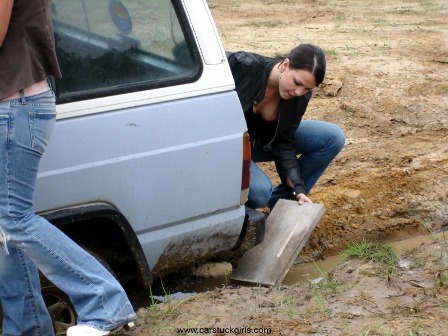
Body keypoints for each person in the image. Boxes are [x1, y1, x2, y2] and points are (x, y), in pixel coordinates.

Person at [0, 1, 137, 335]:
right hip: (18, 104)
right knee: (5, 227)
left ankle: (105, 302)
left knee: (13, 218)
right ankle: (28, 328)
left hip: (15, 106)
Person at [226, 44, 345, 209]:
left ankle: (282, 203)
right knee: (260, 192)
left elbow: (284, 141)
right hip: (227, 148)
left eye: (307, 88)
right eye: (297, 82)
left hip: (261, 143)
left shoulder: (299, 95)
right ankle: (237, 212)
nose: (299, 92)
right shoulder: (241, 64)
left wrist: (297, 188)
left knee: (332, 137)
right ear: (285, 65)